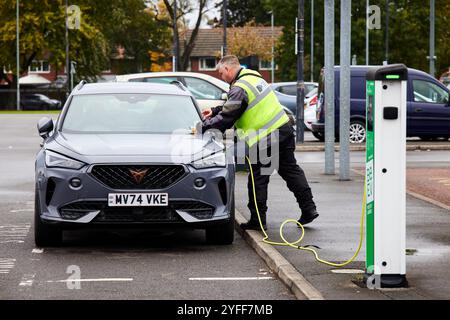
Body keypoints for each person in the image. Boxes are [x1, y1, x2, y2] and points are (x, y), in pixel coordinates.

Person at [202, 55, 318, 230]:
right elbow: (236, 106)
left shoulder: (240, 87)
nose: (221, 77)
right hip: (283, 130)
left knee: (258, 179)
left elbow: (228, 117)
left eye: (220, 73)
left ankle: (257, 220)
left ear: (227, 69)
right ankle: (309, 209)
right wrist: (215, 110)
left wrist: (203, 128)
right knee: (291, 171)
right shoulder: (253, 77)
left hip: (266, 138)